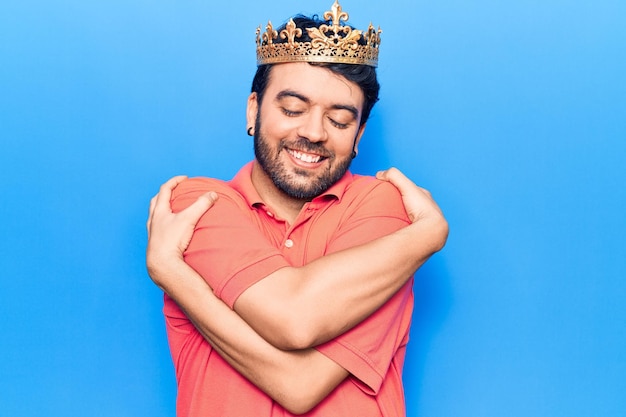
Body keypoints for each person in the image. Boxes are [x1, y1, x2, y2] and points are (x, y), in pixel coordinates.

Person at [146, 2, 448, 416]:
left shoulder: (387, 210)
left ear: (359, 134)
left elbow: (300, 379)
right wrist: (425, 236)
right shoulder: (197, 205)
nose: (312, 132)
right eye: (292, 109)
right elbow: (296, 327)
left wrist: (174, 275)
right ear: (254, 110)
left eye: (340, 120)